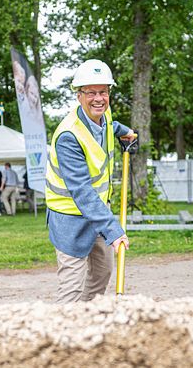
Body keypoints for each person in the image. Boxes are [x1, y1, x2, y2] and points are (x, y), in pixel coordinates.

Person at [45, 59, 136, 303]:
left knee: (102, 274)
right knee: (72, 289)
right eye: (91, 92)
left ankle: (85, 324)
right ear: (79, 95)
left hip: (98, 214)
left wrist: (124, 131)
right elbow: (82, 191)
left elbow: (110, 126)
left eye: (103, 92)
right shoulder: (68, 135)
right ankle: (63, 334)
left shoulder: (104, 116)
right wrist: (114, 230)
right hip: (70, 220)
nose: (98, 98)